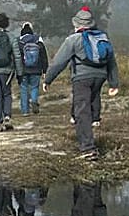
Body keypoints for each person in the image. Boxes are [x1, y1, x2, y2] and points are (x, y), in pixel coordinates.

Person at [41, 8, 119, 160]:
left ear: (76, 24)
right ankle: (94, 124)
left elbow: (59, 62)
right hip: (100, 76)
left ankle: (88, 148)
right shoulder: (103, 37)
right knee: (92, 102)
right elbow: (112, 61)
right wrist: (113, 82)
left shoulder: (73, 39)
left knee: (81, 110)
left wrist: (48, 79)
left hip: (82, 78)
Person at [15, 21, 48, 117]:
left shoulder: (19, 41)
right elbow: (43, 55)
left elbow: (16, 56)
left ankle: (25, 111)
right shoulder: (38, 40)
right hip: (36, 69)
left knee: (24, 89)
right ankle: (34, 102)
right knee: (34, 87)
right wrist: (45, 70)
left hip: (23, 70)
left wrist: (16, 69)